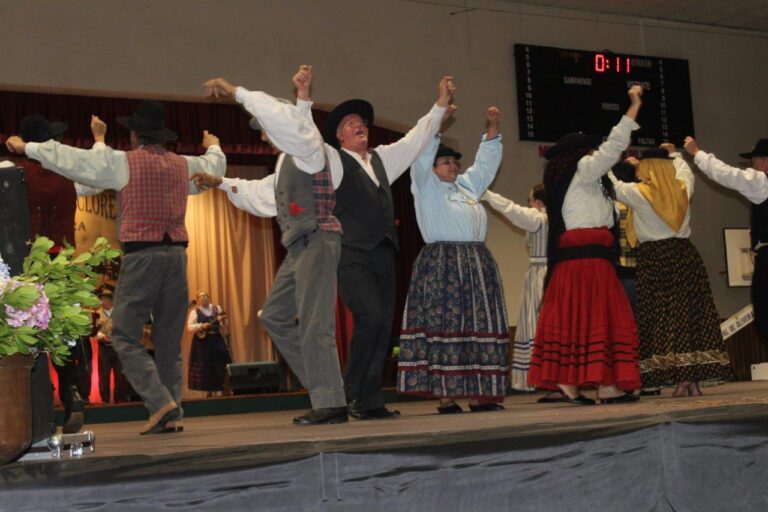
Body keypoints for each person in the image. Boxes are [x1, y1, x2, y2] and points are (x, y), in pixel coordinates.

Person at [6, 100, 227, 434]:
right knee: (168, 342)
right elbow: (213, 167)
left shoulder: (125, 163)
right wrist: (215, 146)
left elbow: (76, 160)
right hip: (177, 257)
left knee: (123, 334)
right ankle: (174, 413)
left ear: (135, 135)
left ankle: (159, 402)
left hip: (142, 257)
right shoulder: (183, 165)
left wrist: (29, 147)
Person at [198, 66, 348, 425]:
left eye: (265, 129)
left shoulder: (308, 151)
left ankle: (330, 402)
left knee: (315, 323)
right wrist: (219, 183)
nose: (264, 136)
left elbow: (294, 127)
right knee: (276, 317)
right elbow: (262, 195)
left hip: (318, 239)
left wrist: (236, 90)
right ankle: (327, 390)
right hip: (298, 247)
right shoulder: (285, 164)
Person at [321, 77, 453, 420]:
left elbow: (415, 139)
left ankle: (369, 399)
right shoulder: (334, 161)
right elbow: (303, 143)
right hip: (351, 252)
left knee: (383, 324)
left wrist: (438, 106)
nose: (358, 126)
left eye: (362, 123)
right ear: (339, 136)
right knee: (371, 316)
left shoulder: (382, 160)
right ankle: (350, 391)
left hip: (382, 251)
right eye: (350, 124)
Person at [527, 85, 644, 405]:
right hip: (587, 260)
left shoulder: (580, 181)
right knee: (599, 318)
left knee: (579, 319)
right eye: (589, 150)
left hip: (585, 259)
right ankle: (595, 384)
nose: (596, 154)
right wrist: (633, 107)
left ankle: (583, 384)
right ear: (579, 154)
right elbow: (613, 147)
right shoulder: (583, 170)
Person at [397, 106, 508, 413]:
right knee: (445, 325)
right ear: (432, 168)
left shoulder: (468, 187)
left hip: (476, 264)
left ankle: (479, 394)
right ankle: (447, 396)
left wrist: (493, 128)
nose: (452, 165)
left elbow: (486, 164)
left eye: (454, 161)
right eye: (445, 161)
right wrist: (437, 123)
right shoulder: (425, 187)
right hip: (443, 264)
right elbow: (420, 160)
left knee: (478, 324)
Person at [609, 146, 730, 396]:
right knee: (688, 316)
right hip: (685, 256)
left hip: (654, 260)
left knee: (663, 319)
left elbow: (614, 186)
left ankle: (681, 380)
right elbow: (687, 171)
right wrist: (675, 154)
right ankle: (692, 379)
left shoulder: (639, 193)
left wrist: (602, 163)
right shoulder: (682, 188)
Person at [684, 136, 768, 350]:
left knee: (765, 311)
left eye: (755, 160)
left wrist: (697, 153)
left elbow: (727, 175)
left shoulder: (762, 182)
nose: (752, 165)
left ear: (765, 161)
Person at [484, 184, 548, 394]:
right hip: (553, 272)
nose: (529, 205)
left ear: (537, 202)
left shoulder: (538, 217)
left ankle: (536, 377)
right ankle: (550, 376)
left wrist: (487, 194)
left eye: (530, 200)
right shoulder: (560, 216)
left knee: (534, 324)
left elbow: (511, 209)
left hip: (541, 273)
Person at [186, 290, 231, 397]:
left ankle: (224, 389)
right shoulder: (194, 311)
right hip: (202, 342)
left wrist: (222, 321)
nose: (203, 297)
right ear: (197, 300)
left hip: (216, 339)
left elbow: (225, 324)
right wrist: (200, 326)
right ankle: (208, 393)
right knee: (206, 365)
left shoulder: (217, 308)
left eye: (205, 295)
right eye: (201, 296)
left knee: (220, 363)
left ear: (209, 297)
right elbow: (189, 327)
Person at [95, 287, 130, 403]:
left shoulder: (119, 312)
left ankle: (119, 400)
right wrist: (99, 335)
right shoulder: (97, 314)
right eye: (102, 299)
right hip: (104, 348)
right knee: (104, 375)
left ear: (111, 300)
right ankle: (105, 400)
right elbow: (94, 330)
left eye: (105, 298)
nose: (103, 301)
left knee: (120, 375)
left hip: (118, 348)